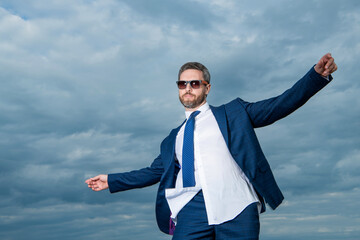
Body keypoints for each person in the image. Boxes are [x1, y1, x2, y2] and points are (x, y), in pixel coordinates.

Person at [85, 53, 337, 239]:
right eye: (182, 84)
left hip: (236, 204)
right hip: (191, 209)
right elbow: (153, 172)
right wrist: (112, 180)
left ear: (207, 87)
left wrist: (316, 77)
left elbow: (278, 105)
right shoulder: (173, 138)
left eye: (194, 83)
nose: (187, 88)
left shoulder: (234, 113)